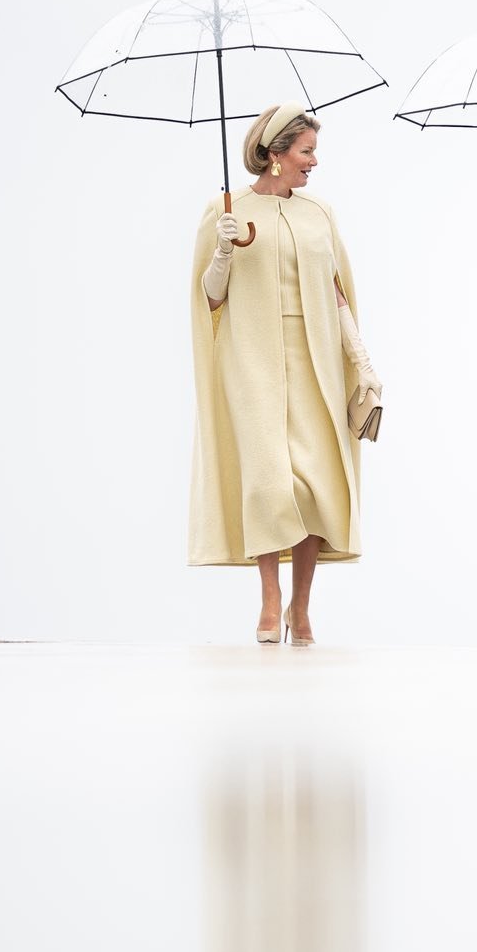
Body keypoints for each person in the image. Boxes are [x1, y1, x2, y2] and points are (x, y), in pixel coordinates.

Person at [187, 101, 382, 646]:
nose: (313, 162)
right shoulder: (223, 209)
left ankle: (301, 605)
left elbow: (337, 294)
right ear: (275, 154)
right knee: (270, 483)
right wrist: (223, 250)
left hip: (314, 358)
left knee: (315, 486)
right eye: (306, 151)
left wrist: (363, 362)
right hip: (251, 362)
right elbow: (210, 298)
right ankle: (270, 599)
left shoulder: (320, 213)